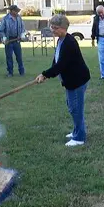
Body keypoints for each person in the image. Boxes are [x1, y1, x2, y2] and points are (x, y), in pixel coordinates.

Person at [36, 15, 90, 147]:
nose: (52, 30)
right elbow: (56, 60)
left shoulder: (69, 43)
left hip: (77, 80)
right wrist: (46, 74)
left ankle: (79, 137)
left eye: (55, 28)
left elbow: (61, 65)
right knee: (72, 108)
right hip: (70, 81)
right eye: (51, 27)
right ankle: (77, 131)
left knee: (76, 109)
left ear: (63, 28)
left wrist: (45, 75)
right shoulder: (61, 40)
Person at [0, 5, 26, 77]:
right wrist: (4, 37)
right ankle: (10, 72)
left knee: (19, 57)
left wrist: (22, 34)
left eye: (17, 11)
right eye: (16, 11)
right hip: (8, 40)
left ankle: (22, 71)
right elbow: (1, 30)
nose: (17, 12)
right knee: (9, 57)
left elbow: (22, 27)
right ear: (11, 11)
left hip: (17, 40)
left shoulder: (19, 18)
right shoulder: (5, 19)